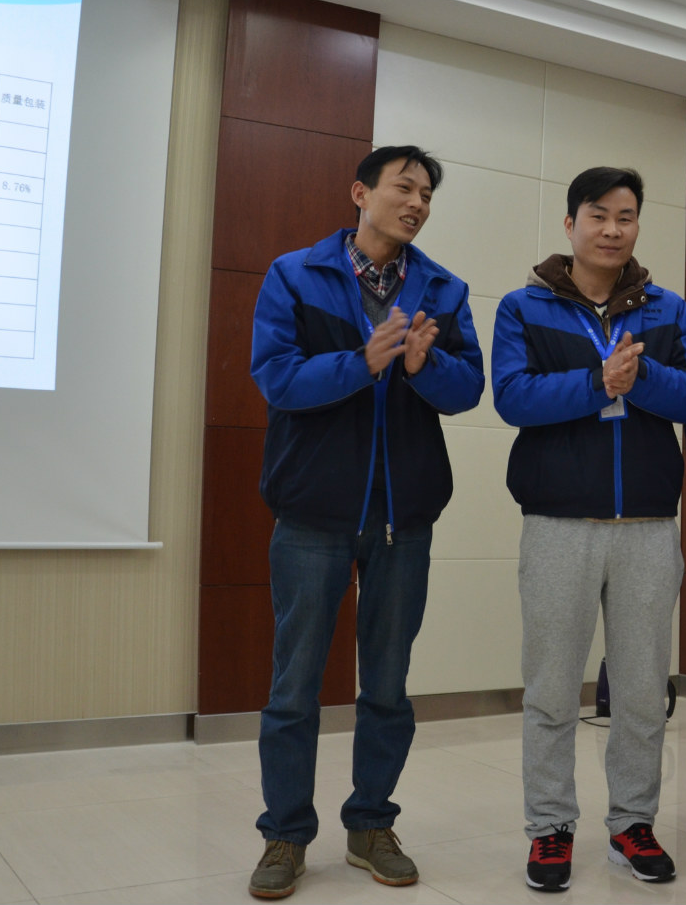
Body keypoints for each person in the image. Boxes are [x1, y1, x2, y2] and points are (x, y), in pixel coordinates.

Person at [246, 146, 485, 899]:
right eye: (403, 188)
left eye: (426, 194)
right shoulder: (295, 274)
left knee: (387, 685)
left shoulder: (442, 289)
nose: (416, 203)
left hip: (403, 517)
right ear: (360, 192)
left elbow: (469, 388)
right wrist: (363, 361)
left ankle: (371, 822)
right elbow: (276, 377)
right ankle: (285, 833)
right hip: (311, 514)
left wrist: (421, 366)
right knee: (294, 688)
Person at [491, 166, 686, 893]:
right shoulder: (524, 306)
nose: (613, 229)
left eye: (626, 216)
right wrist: (597, 383)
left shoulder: (667, 309)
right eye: (598, 214)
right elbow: (513, 397)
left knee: (642, 691)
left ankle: (632, 823)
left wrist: (639, 378)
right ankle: (550, 827)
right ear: (570, 223)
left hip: (648, 525)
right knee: (552, 690)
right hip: (559, 523)